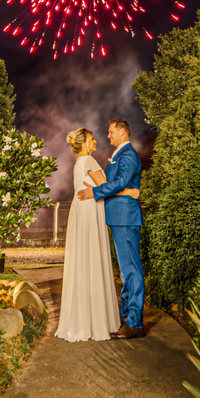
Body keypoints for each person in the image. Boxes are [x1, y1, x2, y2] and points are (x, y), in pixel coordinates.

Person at [54, 128, 138, 342]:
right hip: (90, 212)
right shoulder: (89, 160)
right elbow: (107, 187)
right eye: (92, 139)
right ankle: (97, 321)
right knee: (92, 259)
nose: (96, 142)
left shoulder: (78, 162)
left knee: (83, 261)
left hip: (80, 212)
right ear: (84, 144)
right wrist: (130, 192)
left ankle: (83, 320)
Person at [77, 118, 145, 339]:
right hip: (118, 217)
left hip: (125, 217)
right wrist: (127, 192)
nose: (108, 136)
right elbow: (119, 185)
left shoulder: (128, 155)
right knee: (125, 271)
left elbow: (120, 182)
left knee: (131, 270)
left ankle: (135, 323)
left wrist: (94, 193)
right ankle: (125, 316)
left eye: (111, 132)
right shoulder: (120, 154)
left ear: (122, 131)